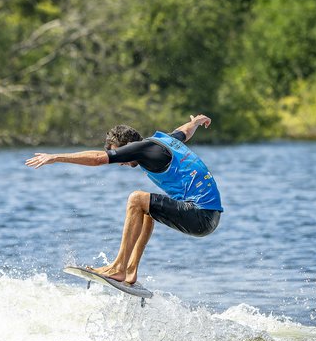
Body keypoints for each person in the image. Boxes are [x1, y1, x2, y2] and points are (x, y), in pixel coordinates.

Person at [25, 114, 223, 285]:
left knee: (137, 199)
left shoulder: (141, 148)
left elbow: (96, 158)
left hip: (200, 215)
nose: (121, 162)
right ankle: (130, 269)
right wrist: (196, 122)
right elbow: (184, 131)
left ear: (128, 145)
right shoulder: (163, 141)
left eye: (119, 153)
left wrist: (56, 157)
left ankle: (118, 267)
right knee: (147, 209)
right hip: (210, 217)